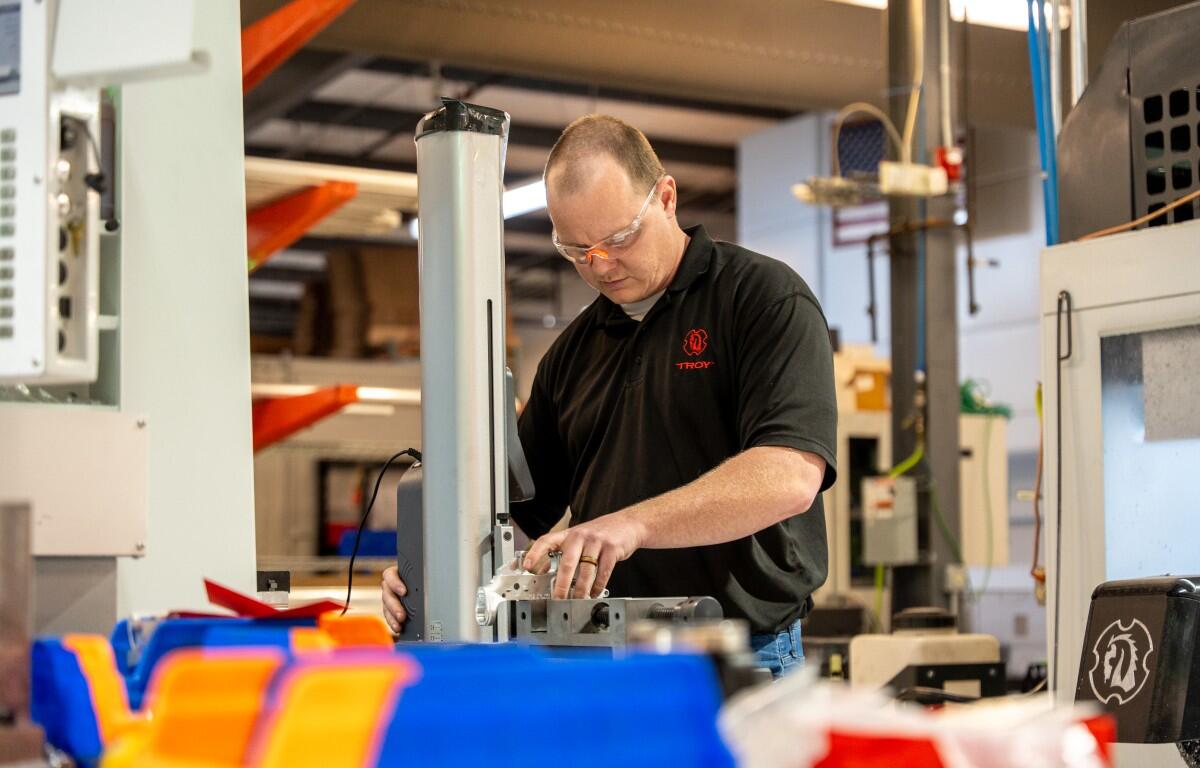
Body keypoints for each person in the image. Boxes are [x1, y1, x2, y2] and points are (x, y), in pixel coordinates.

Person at [382, 114, 837, 678]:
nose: (599, 264)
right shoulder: (573, 353)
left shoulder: (762, 300)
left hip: (745, 655)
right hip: (609, 656)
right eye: (576, 249)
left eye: (619, 239)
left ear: (665, 197)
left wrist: (632, 525)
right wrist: (430, 566)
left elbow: (789, 476)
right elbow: (516, 515)